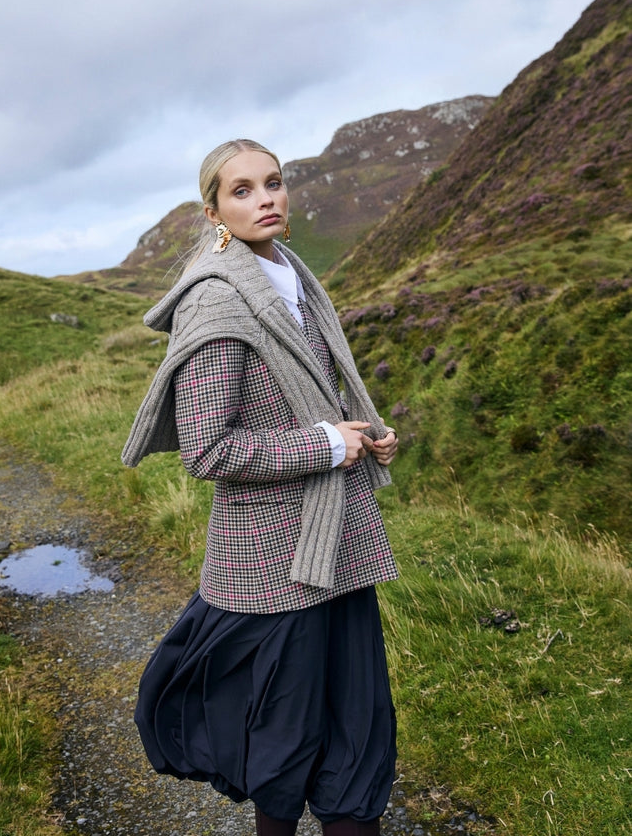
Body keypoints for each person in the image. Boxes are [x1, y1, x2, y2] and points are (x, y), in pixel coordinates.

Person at [122, 139, 400, 836]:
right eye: (241, 190)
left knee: (357, 731)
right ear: (213, 211)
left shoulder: (293, 279)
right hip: (275, 563)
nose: (265, 198)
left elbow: (311, 399)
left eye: (272, 182)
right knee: (285, 742)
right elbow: (207, 449)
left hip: (337, 542)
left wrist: (362, 434)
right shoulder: (216, 302)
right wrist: (326, 445)